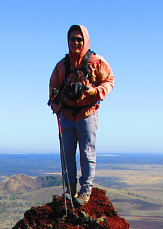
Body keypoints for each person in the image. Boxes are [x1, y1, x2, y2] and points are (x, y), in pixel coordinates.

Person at [48, 24, 114, 206]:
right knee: (67, 153)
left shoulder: (95, 62)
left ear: (85, 40)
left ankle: (85, 191)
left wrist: (95, 91)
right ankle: (69, 189)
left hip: (88, 114)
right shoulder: (62, 66)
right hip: (66, 115)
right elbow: (53, 86)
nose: (76, 42)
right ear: (67, 41)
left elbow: (109, 80)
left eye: (79, 39)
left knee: (87, 153)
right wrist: (55, 103)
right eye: (72, 39)